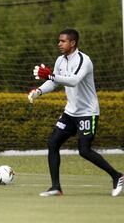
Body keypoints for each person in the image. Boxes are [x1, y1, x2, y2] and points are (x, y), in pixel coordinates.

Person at [28, 28, 123, 197]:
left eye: (63, 41)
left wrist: (50, 76)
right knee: (53, 143)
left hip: (88, 112)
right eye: (59, 41)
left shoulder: (83, 60)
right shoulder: (60, 60)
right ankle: (56, 187)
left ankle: (117, 176)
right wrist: (39, 91)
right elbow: (55, 83)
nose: (59, 44)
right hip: (70, 112)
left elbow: (73, 81)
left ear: (73, 43)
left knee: (84, 150)